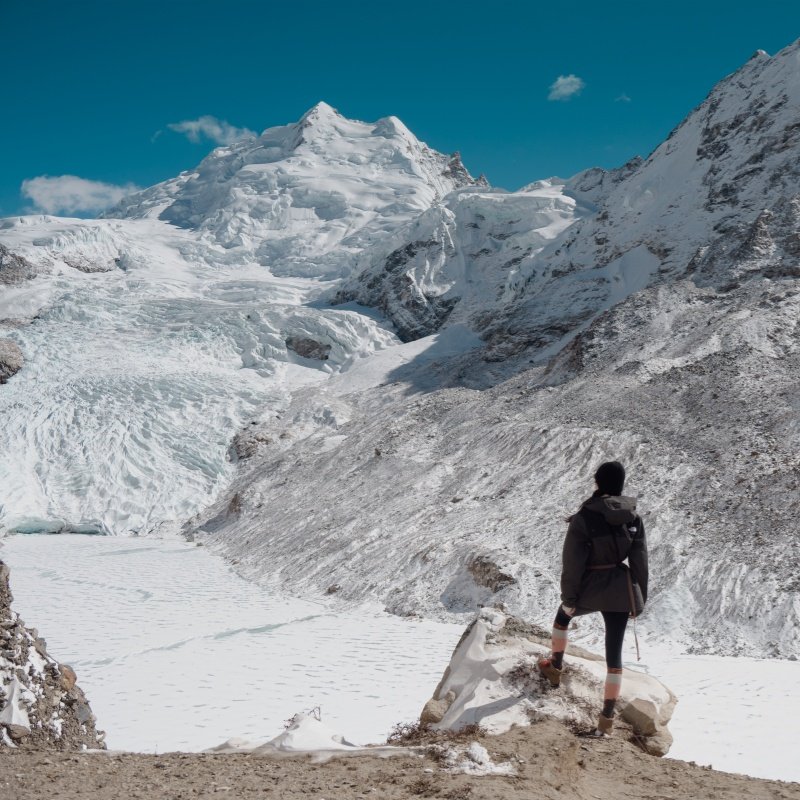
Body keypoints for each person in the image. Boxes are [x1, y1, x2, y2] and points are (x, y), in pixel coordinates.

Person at [537, 460, 648, 736]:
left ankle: (555, 667)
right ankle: (606, 720)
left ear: (598, 483)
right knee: (614, 656)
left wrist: (570, 596)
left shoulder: (585, 515)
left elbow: (572, 561)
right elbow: (640, 562)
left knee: (563, 617)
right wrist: (638, 600)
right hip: (621, 590)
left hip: (590, 586)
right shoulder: (632, 517)